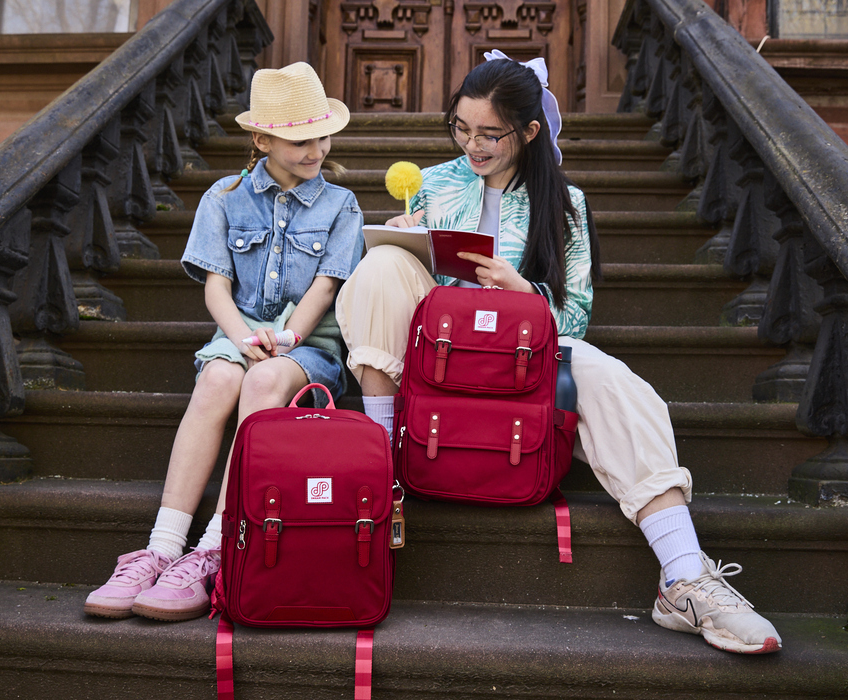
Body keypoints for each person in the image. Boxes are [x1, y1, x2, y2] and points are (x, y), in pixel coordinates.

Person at [335, 51, 782, 654]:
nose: (473, 146)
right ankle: (382, 463)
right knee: (383, 263)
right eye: (461, 130)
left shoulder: (564, 202)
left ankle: (684, 578)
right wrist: (407, 240)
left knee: (613, 378)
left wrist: (522, 292)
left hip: (520, 351)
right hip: (440, 351)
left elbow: (575, 318)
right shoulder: (435, 184)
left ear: (529, 131)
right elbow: (393, 295)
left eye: (490, 134)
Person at [84, 62, 362, 621]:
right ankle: (162, 547)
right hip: (237, 331)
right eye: (299, 139)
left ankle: (215, 544)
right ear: (261, 140)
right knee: (217, 377)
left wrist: (283, 339)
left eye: (321, 135)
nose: (315, 148)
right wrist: (240, 336)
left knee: (261, 380)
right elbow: (216, 289)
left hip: (308, 343)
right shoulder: (223, 197)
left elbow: (326, 288)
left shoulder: (341, 205)